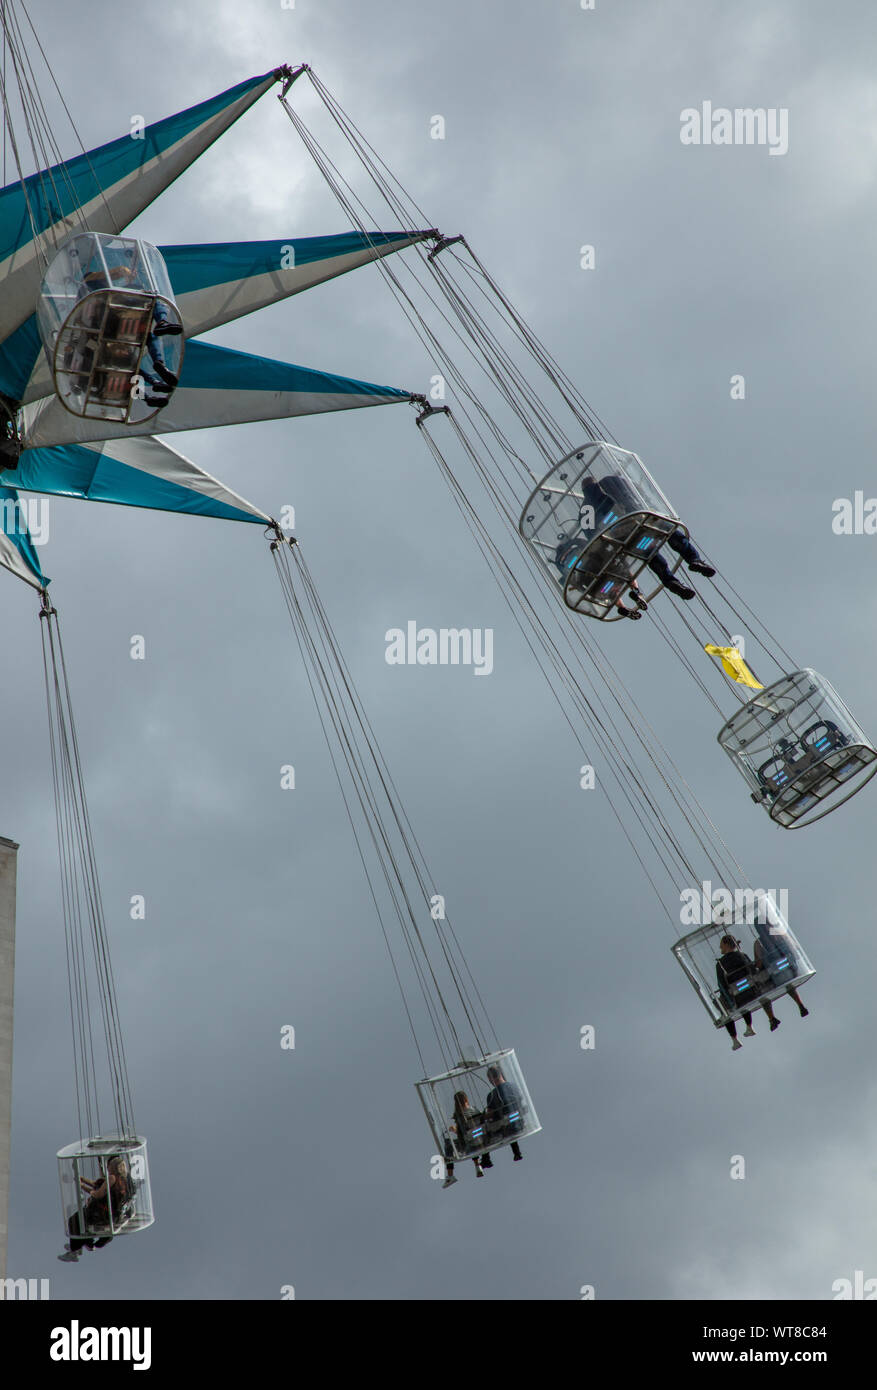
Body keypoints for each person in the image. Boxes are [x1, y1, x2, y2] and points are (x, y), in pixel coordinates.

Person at [579, 472, 715, 604]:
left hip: (622, 538)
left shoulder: (585, 509)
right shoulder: (609, 481)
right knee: (670, 532)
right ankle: (694, 559)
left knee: (650, 554)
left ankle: (670, 581)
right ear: (595, 481)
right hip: (637, 520)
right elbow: (635, 494)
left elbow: (591, 535)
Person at [58, 1155, 132, 1262]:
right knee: (79, 1219)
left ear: (113, 1166)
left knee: (74, 1220)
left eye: (109, 1165)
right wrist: (83, 1181)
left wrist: (85, 1189)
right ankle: (80, 1245)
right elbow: (98, 1185)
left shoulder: (112, 1178)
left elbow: (98, 1193)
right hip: (113, 1214)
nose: (107, 1167)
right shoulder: (123, 1179)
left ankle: (75, 1251)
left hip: (102, 1214)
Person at [716, 935, 781, 1050]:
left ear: (726, 945)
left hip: (737, 998)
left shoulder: (720, 964)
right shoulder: (742, 956)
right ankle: (750, 1025)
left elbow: (721, 984)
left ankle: (735, 1039)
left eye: (721, 944)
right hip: (751, 991)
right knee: (747, 994)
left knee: (723, 1005)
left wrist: (727, 993)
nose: (720, 947)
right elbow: (751, 969)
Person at [753, 918, 810, 1019]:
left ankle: (771, 1017)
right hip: (792, 968)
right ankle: (800, 1004)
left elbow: (759, 964)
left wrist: (754, 966)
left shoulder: (758, 943)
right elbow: (794, 947)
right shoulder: (781, 935)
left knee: (761, 990)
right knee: (787, 981)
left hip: (775, 975)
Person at [442, 1091, 487, 1187]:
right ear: (466, 1099)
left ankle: (450, 1176)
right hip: (482, 1139)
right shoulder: (474, 1109)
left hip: (469, 1144)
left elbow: (461, 1133)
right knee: (471, 1138)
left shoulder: (460, 1115)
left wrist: (454, 1129)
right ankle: (477, 1165)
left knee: (448, 1145)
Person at [482, 1064, 525, 1163]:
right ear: (501, 1074)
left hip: (504, 1129)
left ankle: (485, 1159)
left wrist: (484, 1116)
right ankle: (517, 1152)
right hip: (519, 1123)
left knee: (482, 1130)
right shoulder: (514, 1086)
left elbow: (490, 1114)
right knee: (509, 1122)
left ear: (490, 1079)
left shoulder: (492, 1095)